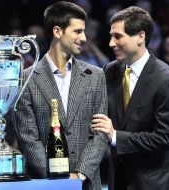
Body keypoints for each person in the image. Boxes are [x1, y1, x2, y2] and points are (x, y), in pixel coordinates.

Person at [91, 6, 169, 190]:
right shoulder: (110, 70)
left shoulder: (166, 79)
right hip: (121, 179)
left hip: (159, 183)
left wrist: (115, 136)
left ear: (140, 36)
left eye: (118, 36)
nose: (111, 43)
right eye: (111, 36)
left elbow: (164, 137)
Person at [12, 1, 108, 190]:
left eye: (84, 31)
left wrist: (80, 174)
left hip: (87, 183)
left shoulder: (95, 75)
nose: (84, 38)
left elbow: (99, 133)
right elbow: (28, 137)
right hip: (45, 183)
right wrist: (59, 177)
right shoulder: (26, 78)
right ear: (57, 31)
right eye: (78, 31)